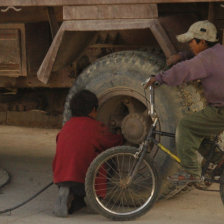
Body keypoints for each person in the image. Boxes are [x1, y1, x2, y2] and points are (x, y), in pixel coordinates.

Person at [145, 20, 224, 183]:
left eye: (191, 41)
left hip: (221, 110)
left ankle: (190, 173)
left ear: (202, 41)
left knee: (187, 126)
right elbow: (198, 58)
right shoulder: (218, 51)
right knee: (199, 128)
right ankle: (220, 159)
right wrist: (182, 56)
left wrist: (160, 78)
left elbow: (185, 70)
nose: (189, 45)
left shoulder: (205, 59)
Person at [52, 89, 123, 217]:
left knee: (71, 160)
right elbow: (111, 143)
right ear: (92, 110)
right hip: (84, 180)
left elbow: (59, 141)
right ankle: (95, 200)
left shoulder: (66, 126)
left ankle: (68, 193)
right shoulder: (96, 127)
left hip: (61, 176)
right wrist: (120, 136)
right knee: (106, 158)